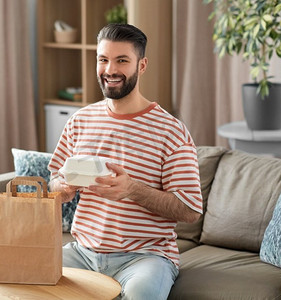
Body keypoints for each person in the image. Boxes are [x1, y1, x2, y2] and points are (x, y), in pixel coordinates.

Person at [48, 23, 202, 300]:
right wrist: (62, 188)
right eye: (103, 59)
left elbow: (190, 210)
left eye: (122, 60)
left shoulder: (171, 131)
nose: (110, 70)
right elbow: (54, 183)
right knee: (2, 275)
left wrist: (133, 190)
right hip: (82, 253)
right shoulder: (80, 121)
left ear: (141, 66)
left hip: (145, 258)